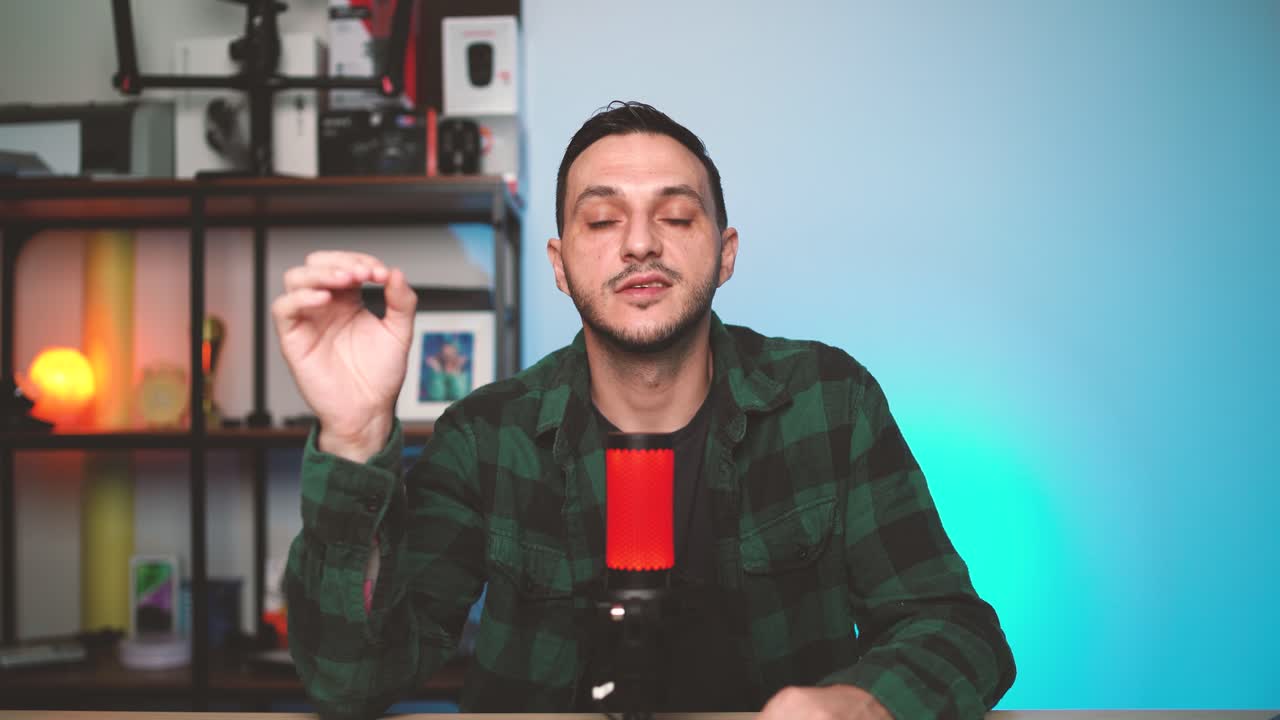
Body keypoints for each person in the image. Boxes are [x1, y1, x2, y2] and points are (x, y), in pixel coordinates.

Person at [274, 101, 1016, 720]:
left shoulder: (828, 401)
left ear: (725, 252)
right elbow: (352, 681)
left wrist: (861, 702)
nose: (639, 243)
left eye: (676, 217)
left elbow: (958, 630)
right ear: (560, 265)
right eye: (601, 222)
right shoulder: (486, 437)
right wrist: (352, 433)